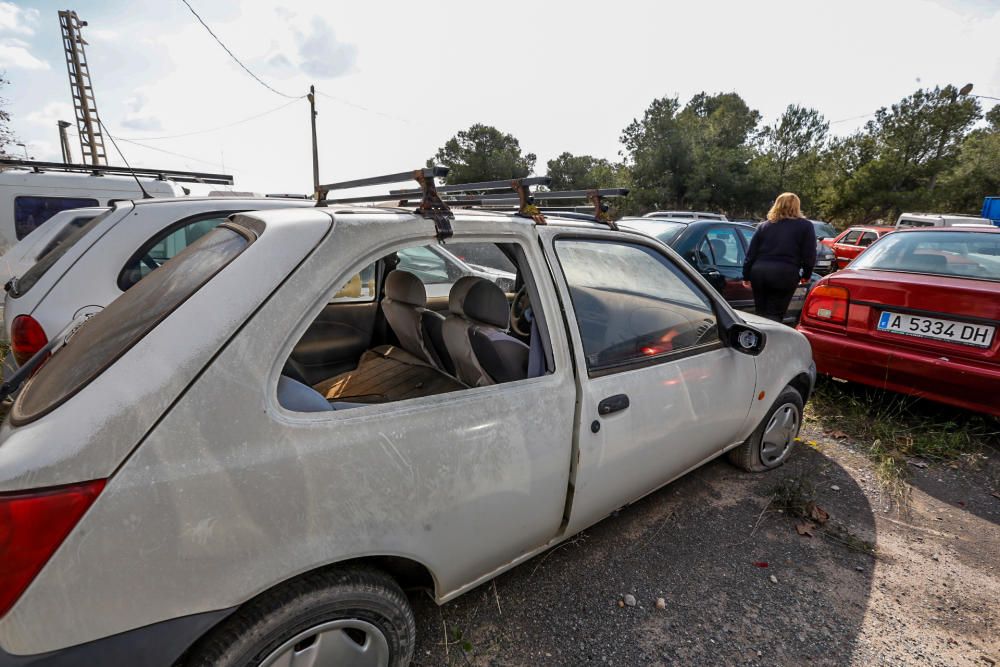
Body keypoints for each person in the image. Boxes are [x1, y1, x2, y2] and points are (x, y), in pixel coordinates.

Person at [743, 192, 816, 323]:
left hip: (759, 272)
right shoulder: (805, 226)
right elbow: (809, 255)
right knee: (775, 313)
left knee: (760, 311)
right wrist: (806, 274)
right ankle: (771, 339)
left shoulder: (764, 226)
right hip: (785, 273)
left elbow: (751, 254)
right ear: (797, 207)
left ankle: (758, 337)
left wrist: (746, 275)